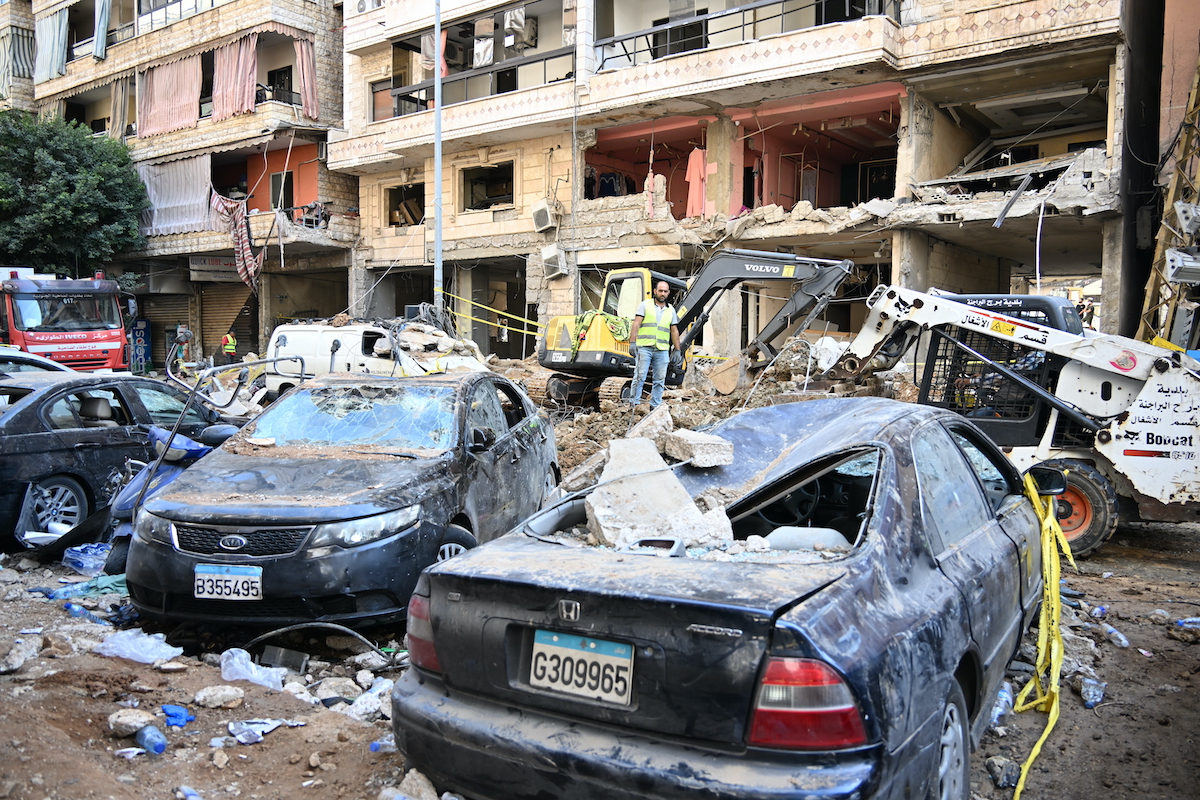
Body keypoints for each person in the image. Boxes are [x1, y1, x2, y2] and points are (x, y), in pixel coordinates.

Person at [627, 280, 681, 410]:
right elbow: (636, 324)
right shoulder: (645, 305)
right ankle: (634, 403)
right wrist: (632, 342)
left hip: (662, 349)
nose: (662, 293)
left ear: (668, 293)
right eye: (660, 291)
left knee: (660, 379)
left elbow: (674, 330)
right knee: (640, 376)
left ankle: (655, 405)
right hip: (644, 347)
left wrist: (678, 350)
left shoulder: (671, 310)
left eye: (665, 291)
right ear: (655, 291)